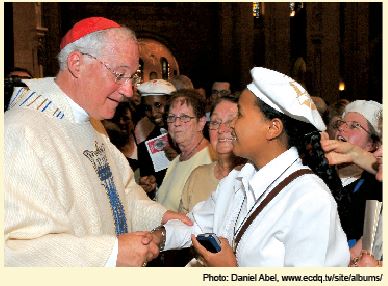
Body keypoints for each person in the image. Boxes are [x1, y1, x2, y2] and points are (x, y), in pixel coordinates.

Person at [4, 17, 190, 267]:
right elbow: (13, 251)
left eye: (131, 77)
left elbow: (122, 195)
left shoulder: (91, 123)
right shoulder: (20, 133)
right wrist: (109, 254)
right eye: (119, 74)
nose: (128, 91)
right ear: (77, 63)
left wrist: (162, 216)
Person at [152, 67, 349, 266]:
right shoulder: (237, 178)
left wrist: (230, 271)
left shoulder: (310, 199)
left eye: (239, 116)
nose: (231, 126)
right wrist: (157, 238)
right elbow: (195, 223)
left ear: (273, 128)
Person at [179, 94, 245, 213]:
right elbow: (180, 226)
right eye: (215, 122)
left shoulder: (253, 179)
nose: (221, 129)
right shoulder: (197, 176)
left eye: (231, 121)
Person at [331, 100, 382, 248]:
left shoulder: (376, 187)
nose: (341, 128)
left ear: (372, 145)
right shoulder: (315, 170)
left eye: (354, 126)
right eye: (341, 123)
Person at [156, 89, 216, 212]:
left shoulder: (211, 160)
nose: (176, 123)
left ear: (201, 122)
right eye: (172, 117)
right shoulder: (176, 161)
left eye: (184, 117)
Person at [136, 79, 176, 199]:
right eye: (148, 108)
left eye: (158, 105)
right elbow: (150, 192)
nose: (153, 113)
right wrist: (150, 186)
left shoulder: (194, 135)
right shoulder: (145, 148)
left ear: (171, 103)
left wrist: (183, 158)